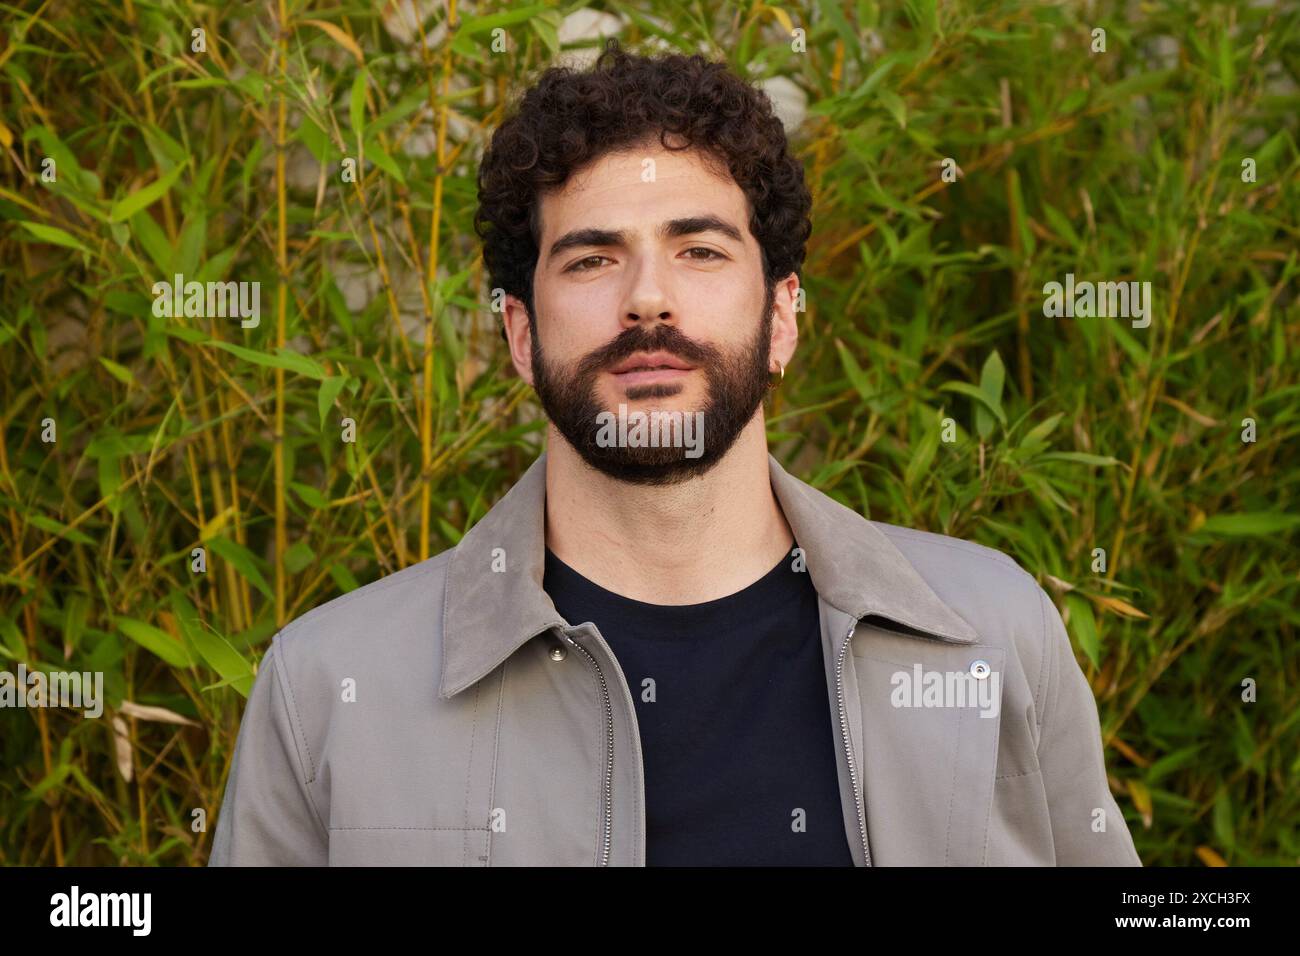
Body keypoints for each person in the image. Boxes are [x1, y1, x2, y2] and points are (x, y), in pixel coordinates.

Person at [210, 38, 1140, 867]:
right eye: (591, 259)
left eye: (699, 251)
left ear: (781, 318)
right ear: (521, 335)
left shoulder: (991, 636)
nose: (647, 301)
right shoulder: (331, 687)